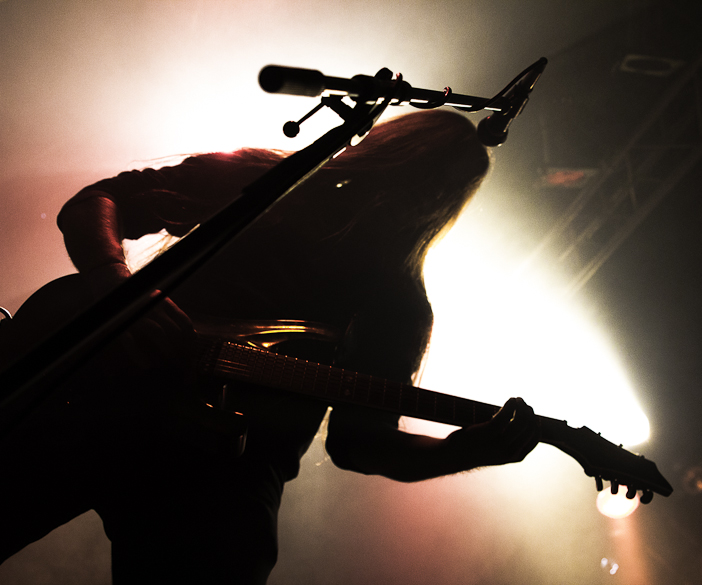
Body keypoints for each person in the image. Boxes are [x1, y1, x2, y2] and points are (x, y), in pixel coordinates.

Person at [0, 109, 539, 583]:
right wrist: (112, 281)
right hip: (102, 390)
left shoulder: (399, 307)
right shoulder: (263, 180)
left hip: (219, 471)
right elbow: (100, 200)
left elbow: (358, 444)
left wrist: (463, 451)